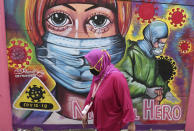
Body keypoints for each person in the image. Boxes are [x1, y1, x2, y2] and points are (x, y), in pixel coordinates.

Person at [23, 0, 132, 123]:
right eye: (58, 18)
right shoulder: (30, 122)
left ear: (120, 28)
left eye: (99, 20)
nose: (77, 48)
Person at [116, 21, 178, 104]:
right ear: (152, 38)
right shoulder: (131, 53)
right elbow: (122, 81)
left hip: (145, 107)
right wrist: (146, 90)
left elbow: (156, 78)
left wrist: (166, 92)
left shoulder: (152, 58)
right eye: (159, 43)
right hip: (128, 107)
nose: (161, 46)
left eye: (163, 43)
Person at [82, 49, 135, 131]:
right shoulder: (98, 76)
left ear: (99, 63)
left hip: (114, 125)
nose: (91, 68)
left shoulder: (116, 77)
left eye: (91, 65)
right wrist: (85, 112)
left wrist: (131, 122)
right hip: (100, 123)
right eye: (90, 65)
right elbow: (92, 95)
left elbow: (126, 99)